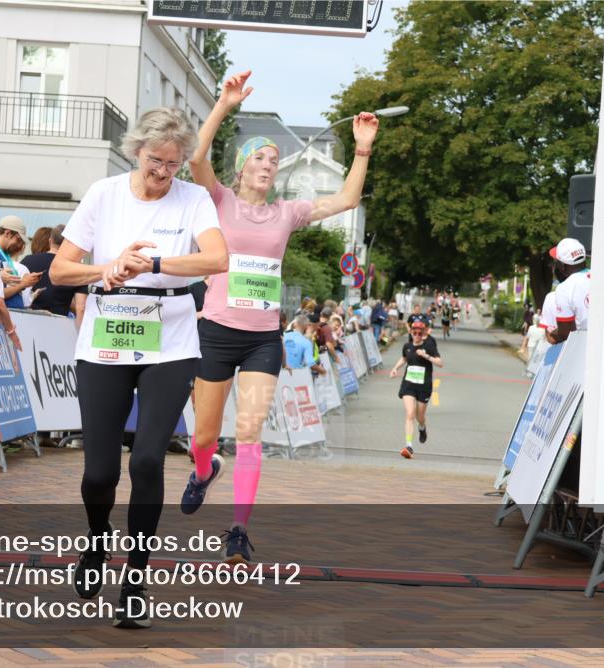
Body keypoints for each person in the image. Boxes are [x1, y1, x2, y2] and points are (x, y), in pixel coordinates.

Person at [179, 69, 380, 564]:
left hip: (262, 338)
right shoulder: (219, 200)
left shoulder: (286, 213)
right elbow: (196, 158)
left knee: (249, 432)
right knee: (205, 438)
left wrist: (362, 150)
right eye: (259, 158)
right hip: (216, 331)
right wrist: (224, 106)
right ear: (243, 167)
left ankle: (239, 531)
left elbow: (348, 199)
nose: (268, 164)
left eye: (273, 160)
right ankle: (204, 470)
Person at [48, 107, 227, 630]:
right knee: (99, 470)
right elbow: (60, 270)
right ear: (136, 151)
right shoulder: (104, 194)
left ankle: (135, 579)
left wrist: (151, 264)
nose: (163, 173)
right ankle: (98, 542)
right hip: (106, 337)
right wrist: (108, 267)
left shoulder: (192, 198)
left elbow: (217, 260)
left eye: (173, 164)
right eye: (155, 161)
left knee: (147, 460)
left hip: (170, 340)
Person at [389, 315, 443, 459]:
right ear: (411, 332)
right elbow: (404, 358)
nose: (417, 335)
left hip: (424, 386)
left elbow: (440, 362)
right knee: (410, 414)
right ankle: (409, 446)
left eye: (420, 333)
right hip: (408, 384)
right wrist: (395, 368)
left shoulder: (429, 345)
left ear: (424, 332)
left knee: (420, 416)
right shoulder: (407, 346)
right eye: (415, 332)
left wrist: (426, 356)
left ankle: (422, 427)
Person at [22, 224, 86, 327]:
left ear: (50, 240)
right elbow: (81, 307)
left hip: (28, 321)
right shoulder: (78, 269)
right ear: (69, 244)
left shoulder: (28, 260)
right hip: (60, 325)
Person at [0, 215, 41, 309]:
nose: (19, 244)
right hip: (4, 312)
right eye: (18, 239)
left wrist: (23, 283)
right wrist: (23, 284)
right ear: (7, 233)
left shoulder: (3, 255)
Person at [547, 238, 590, 344]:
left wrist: (553, 334)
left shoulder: (564, 288)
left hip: (584, 348)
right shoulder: (603, 276)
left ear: (562, 266)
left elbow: (565, 333)